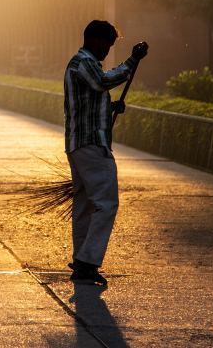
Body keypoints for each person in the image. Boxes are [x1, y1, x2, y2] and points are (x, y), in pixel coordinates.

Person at [64, 20, 149, 286]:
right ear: (96, 40)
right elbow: (102, 82)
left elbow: (93, 97)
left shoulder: (80, 63)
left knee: (85, 206)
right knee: (106, 203)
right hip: (91, 144)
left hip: (80, 143)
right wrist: (132, 60)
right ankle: (88, 261)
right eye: (107, 45)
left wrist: (111, 107)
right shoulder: (83, 63)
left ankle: (81, 261)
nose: (107, 51)